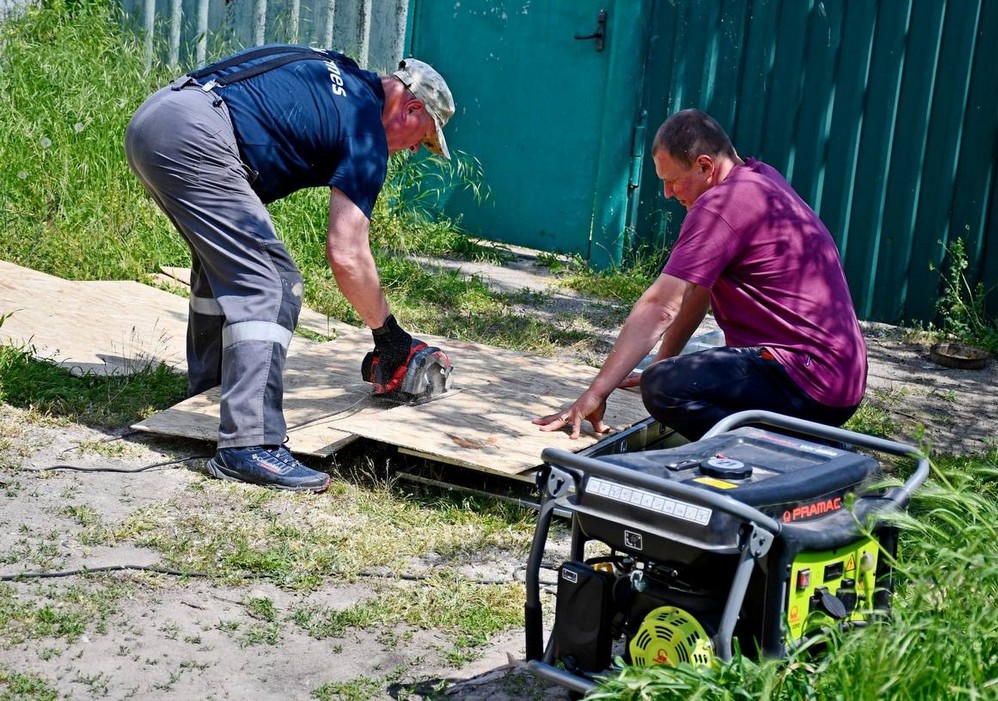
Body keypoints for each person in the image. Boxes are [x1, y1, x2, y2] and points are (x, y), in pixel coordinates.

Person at [125, 44, 455, 492]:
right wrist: (390, 337)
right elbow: (347, 252)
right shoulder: (366, 132)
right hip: (199, 136)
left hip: (160, 116)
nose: (416, 149)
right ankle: (249, 445)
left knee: (226, 269)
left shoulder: (337, 70)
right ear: (411, 107)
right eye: (425, 136)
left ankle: (209, 395)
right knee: (272, 283)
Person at [535, 109, 866, 441]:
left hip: (806, 380)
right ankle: (781, 436)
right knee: (664, 377)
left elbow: (660, 306)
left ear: (705, 166)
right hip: (839, 379)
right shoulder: (760, 178)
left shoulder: (720, 206)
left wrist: (595, 393)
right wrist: (661, 362)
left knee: (666, 390)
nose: (666, 192)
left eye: (672, 180)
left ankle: (763, 450)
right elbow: (697, 293)